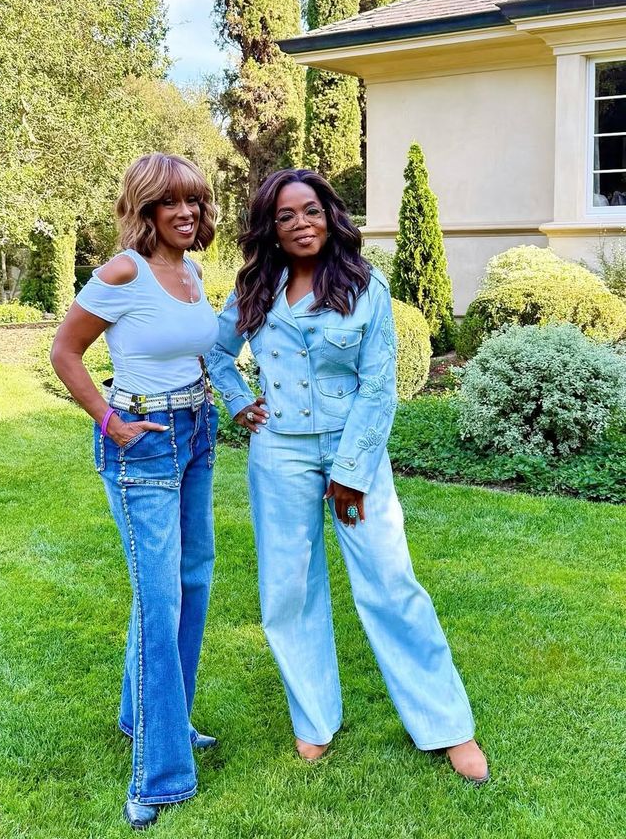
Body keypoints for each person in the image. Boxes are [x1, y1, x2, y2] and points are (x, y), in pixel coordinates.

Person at [206, 169, 489, 783]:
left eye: (310, 210)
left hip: (351, 449)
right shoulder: (256, 286)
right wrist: (235, 400)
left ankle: (446, 724)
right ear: (271, 228)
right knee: (288, 587)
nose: (301, 223)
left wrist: (353, 471)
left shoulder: (364, 286)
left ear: (330, 216)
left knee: (390, 582)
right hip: (278, 452)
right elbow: (215, 350)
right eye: (286, 216)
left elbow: (378, 386)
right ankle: (313, 719)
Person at [50, 153, 221, 829]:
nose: (185, 213)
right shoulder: (123, 271)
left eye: (194, 202)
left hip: (197, 432)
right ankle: (160, 775)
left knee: (192, 581)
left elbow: (198, 351)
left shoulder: (193, 271)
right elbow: (65, 350)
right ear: (144, 210)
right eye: (169, 203)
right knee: (159, 600)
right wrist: (108, 419)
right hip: (143, 440)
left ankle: (153, 719)